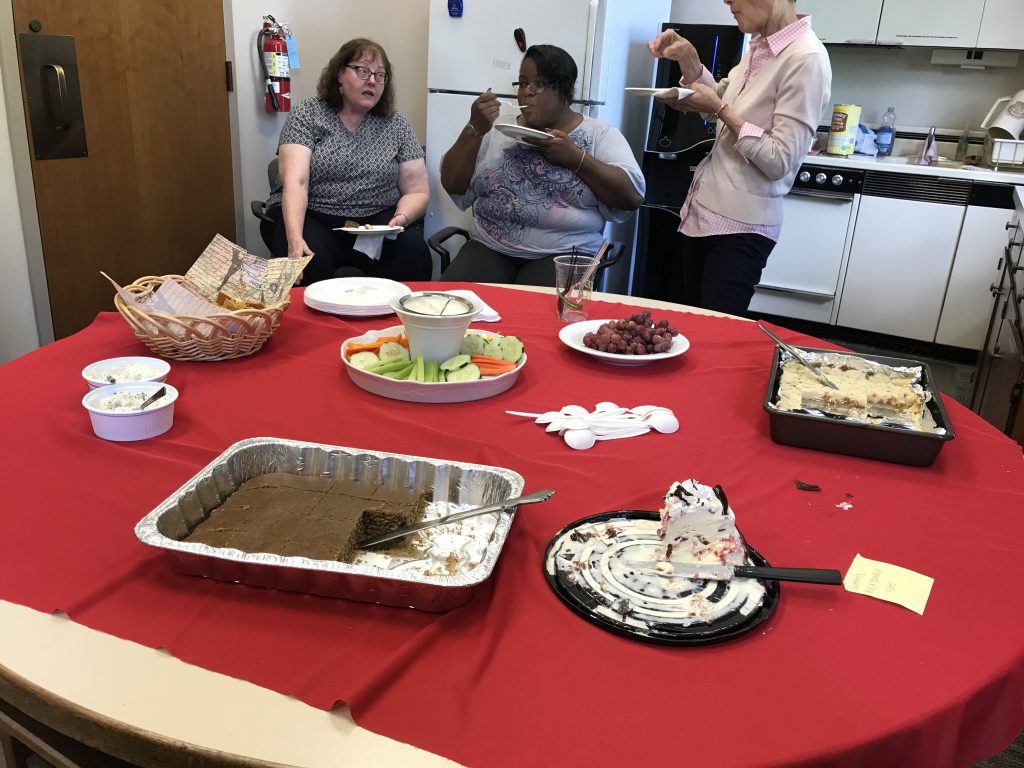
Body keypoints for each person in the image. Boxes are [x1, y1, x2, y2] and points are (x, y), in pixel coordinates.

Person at [648, 0, 831, 316]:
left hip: (741, 229)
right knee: (689, 331)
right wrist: (690, 61)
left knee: (716, 340)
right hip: (702, 214)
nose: (727, 1)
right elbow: (722, 103)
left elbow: (779, 160)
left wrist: (720, 110)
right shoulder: (760, 47)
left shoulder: (806, 59)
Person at [438, 44, 645, 286]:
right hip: (489, 246)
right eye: (523, 83)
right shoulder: (495, 128)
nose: (527, 92)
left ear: (565, 92)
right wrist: (473, 129)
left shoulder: (598, 134)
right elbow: (452, 183)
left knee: (536, 317)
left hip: (565, 252)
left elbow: (631, 197)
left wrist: (576, 159)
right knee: (452, 306)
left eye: (540, 84)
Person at [264, 38, 431, 285]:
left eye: (380, 75)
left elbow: (417, 190)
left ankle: (397, 323)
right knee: (308, 265)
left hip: (376, 224)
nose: (372, 80)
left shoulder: (397, 124)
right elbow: (296, 181)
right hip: (314, 217)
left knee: (414, 255)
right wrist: (294, 239)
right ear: (340, 74)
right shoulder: (308, 114)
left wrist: (401, 218)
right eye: (363, 71)